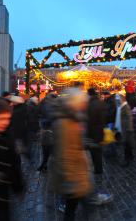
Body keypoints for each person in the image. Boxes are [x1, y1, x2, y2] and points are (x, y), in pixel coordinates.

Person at [48, 88, 93, 221]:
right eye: (81, 102)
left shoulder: (73, 119)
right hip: (74, 176)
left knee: (74, 207)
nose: (84, 105)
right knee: (76, 208)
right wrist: (70, 180)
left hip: (78, 173)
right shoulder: (65, 123)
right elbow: (64, 154)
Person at [86, 88, 105, 174]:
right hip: (100, 129)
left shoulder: (91, 104)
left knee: (94, 151)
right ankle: (99, 168)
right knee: (97, 150)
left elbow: (91, 119)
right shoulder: (100, 102)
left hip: (94, 130)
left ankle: (98, 169)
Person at [114, 94, 135, 167]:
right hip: (124, 128)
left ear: (122, 99)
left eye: (118, 99)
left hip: (126, 129)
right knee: (127, 145)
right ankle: (131, 156)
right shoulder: (121, 107)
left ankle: (127, 160)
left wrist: (129, 129)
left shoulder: (126, 107)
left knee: (126, 145)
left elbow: (129, 118)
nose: (117, 101)